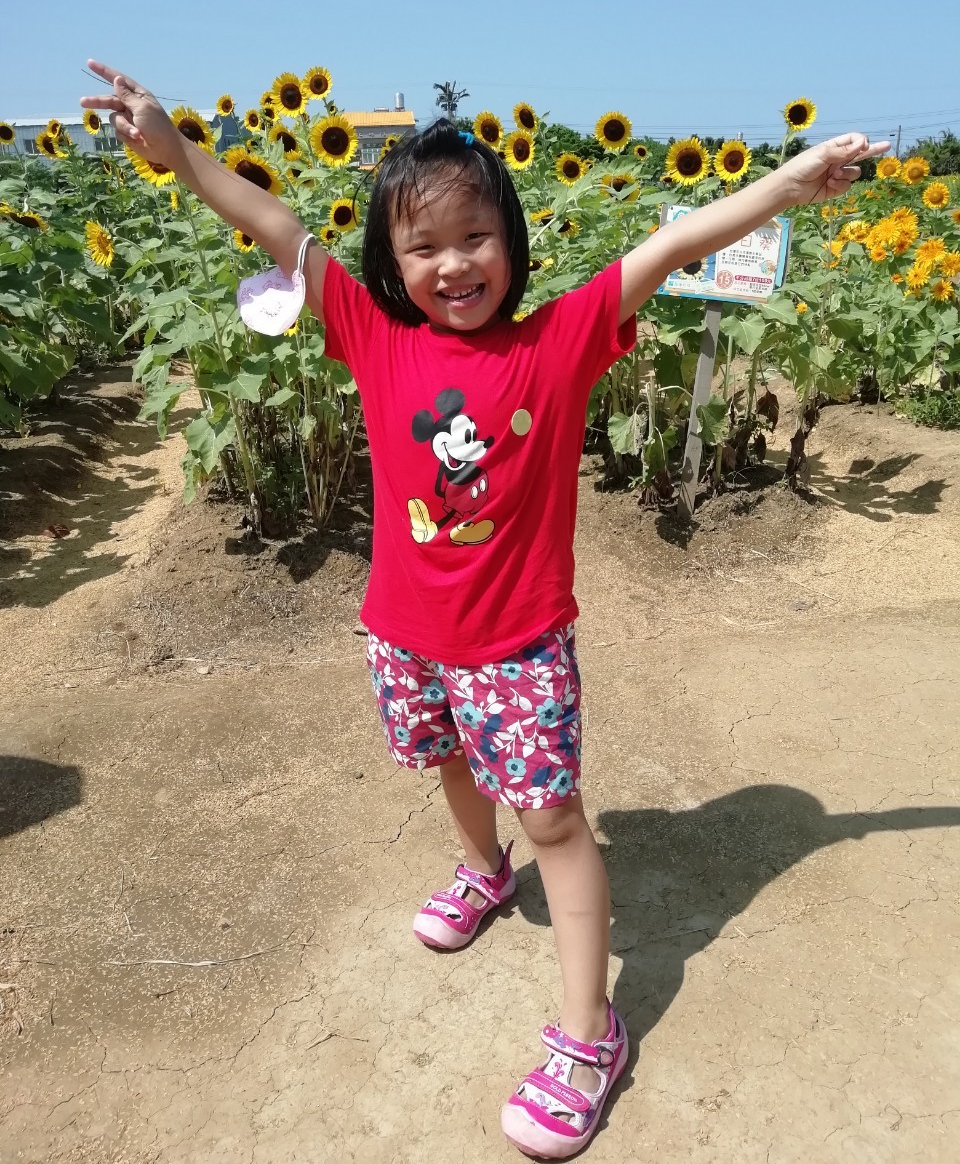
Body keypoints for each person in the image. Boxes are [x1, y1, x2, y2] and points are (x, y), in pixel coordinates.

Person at [81, 61, 886, 1159]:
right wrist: (176, 153)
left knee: (555, 820)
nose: (453, 264)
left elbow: (672, 245)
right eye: (424, 246)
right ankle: (481, 868)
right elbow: (274, 223)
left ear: (510, 239)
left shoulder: (557, 340)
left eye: (475, 237)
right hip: (406, 632)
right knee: (450, 762)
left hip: (515, 646)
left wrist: (791, 183)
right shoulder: (375, 336)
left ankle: (589, 1033)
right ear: (391, 261)